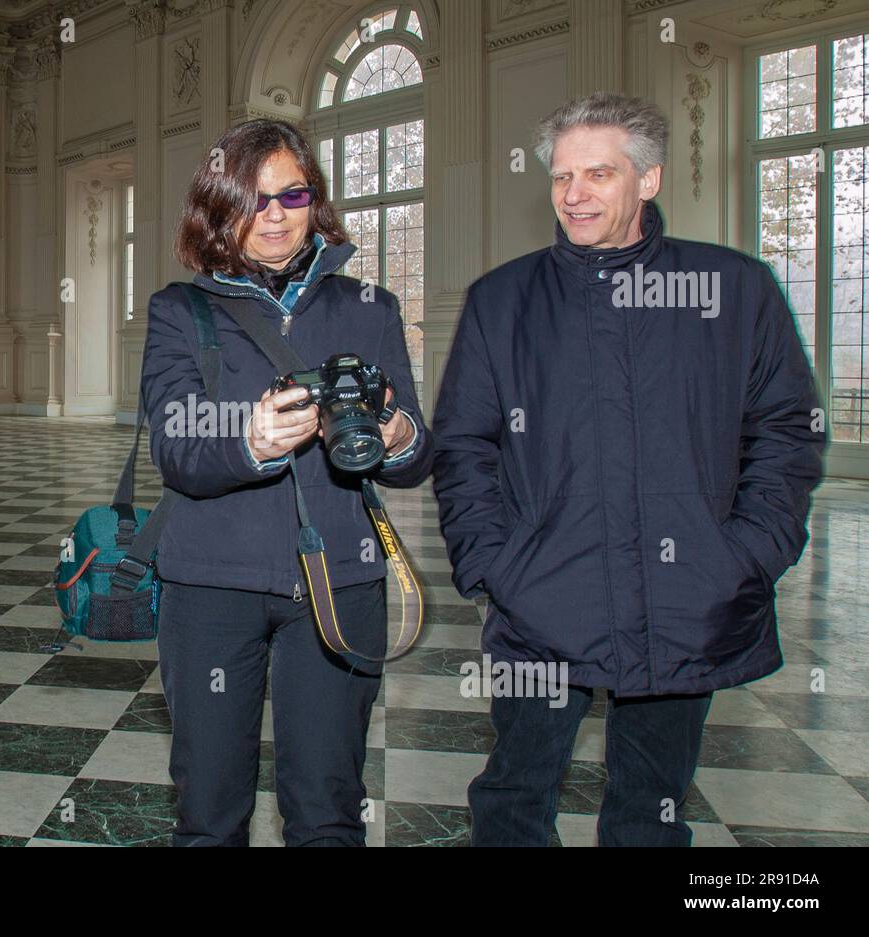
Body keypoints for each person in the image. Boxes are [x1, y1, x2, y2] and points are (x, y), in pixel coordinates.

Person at [429, 92, 824, 846]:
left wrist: (744, 555)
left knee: (654, 807)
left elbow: (787, 431)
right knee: (513, 794)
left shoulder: (735, 290)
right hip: (539, 605)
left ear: (648, 181)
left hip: (688, 605)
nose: (573, 194)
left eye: (598, 174)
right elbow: (464, 447)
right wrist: (495, 564)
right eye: (561, 176)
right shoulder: (501, 302)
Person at [140, 118, 435, 846]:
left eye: (291, 194)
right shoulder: (181, 311)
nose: (273, 214)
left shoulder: (371, 309)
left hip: (339, 583)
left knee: (329, 809)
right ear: (218, 211)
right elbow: (178, 446)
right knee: (208, 812)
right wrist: (249, 437)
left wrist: (399, 436)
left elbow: (419, 450)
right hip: (212, 584)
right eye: (252, 198)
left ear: (316, 202)